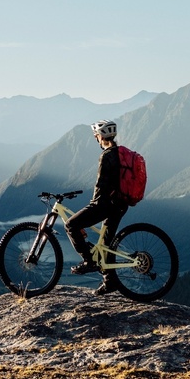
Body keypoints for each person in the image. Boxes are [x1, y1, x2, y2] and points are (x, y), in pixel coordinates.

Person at [65, 119, 130, 296]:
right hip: (121, 204)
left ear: (101, 136)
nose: (96, 139)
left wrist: (93, 205)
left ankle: (88, 261)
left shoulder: (106, 156)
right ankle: (110, 282)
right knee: (106, 243)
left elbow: (101, 185)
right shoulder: (121, 153)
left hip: (106, 205)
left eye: (96, 136)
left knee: (71, 225)